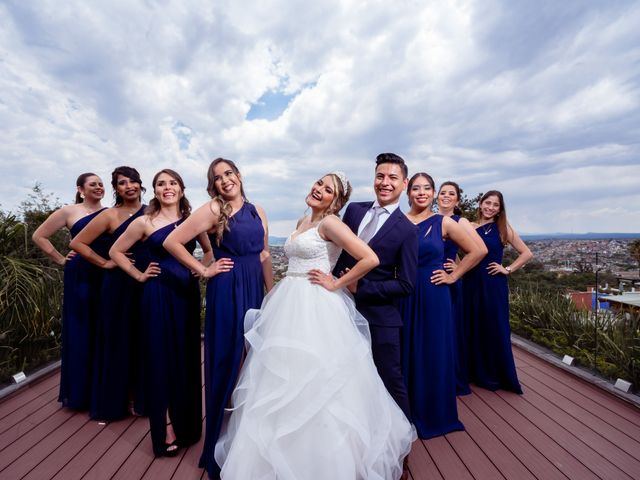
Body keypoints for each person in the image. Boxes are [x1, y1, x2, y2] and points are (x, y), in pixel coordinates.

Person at [214, 172, 415, 480]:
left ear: (336, 201)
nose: (319, 189)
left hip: (317, 306)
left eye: (328, 189)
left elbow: (369, 258)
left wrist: (338, 283)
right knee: (282, 378)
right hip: (288, 303)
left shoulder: (331, 223)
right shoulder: (301, 221)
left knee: (319, 381)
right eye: (319, 183)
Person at [163, 158, 272, 479]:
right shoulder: (213, 209)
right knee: (226, 361)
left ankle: (248, 439)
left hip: (255, 289)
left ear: (239, 175)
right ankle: (216, 448)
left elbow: (265, 255)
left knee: (254, 362)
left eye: (229, 173)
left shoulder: (257, 210)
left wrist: (273, 294)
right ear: (213, 185)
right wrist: (204, 269)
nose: (225, 181)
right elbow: (172, 241)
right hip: (227, 288)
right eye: (217, 178)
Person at [110, 169, 211, 457]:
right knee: (159, 360)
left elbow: (208, 252)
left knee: (186, 359)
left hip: (186, 296)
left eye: (172, 183)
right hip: (157, 294)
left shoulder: (192, 222)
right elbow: (116, 252)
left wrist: (197, 270)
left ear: (181, 188)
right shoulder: (144, 222)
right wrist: (139, 275)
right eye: (160, 184)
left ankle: (188, 427)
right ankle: (165, 427)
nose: (167, 187)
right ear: (154, 191)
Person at [400, 173, 485, 439]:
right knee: (404, 349)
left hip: (434, 293)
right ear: (408, 192)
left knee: (434, 350)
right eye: (416, 188)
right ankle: (403, 411)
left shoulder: (444, 222)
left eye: (427, 188)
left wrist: (454, 274)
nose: (421, 193)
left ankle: (434, 412)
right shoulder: (398, 221)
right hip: (403, 292)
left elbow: (478, 251)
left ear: (434, 193)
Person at [333, 153, 417, 420]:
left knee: (390, 378)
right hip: (338, 310)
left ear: (404, 184)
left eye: (393, 177)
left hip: (379, 317)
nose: (385, 182)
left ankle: (401, 447)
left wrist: (362, 288)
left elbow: (406, 284)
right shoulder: (354, 210)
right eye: (380, 176)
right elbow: (336, 255)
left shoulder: (407, 230)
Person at [69, 166, 148, 420]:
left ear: (140, 184)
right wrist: (104, 264)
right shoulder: (110, 215)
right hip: (117, 285)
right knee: (117, 341)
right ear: (116, 189)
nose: (129, 186)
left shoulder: (152, 212)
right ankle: (116, 401)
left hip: (147, 282)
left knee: (142, 340)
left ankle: (141, 397)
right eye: (122, 183)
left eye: (133, 181)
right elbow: (77, 243)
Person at [32, 173, 106, 409]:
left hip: (107, 273)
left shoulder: (110, 212)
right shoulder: (69, 211)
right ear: (81, 189)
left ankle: (104, 389)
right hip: (81, 274)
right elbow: (39, 236)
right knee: (82, 329)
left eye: (101, 184)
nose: (98, 187)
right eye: (92, 184)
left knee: (105, 329)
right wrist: (61, 259)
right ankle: (80, 393)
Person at [464, 190, 533, 393]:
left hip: (493, 284)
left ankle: (494, 374)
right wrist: (457, 265)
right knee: (472, 326)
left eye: (495, 205)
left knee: (494, 327)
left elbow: (527, 253)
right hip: (470, 282)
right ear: (480, 203)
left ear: (499, 209)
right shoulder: (468, 226)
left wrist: (508, 269)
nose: (490, 207)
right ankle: (472, 372)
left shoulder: (502, 228)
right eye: (487, 203)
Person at [437, 181, 487, 395]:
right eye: (442, 193)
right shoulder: (431, 218)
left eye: (451, 194)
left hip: (446, 282)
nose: (446, 196)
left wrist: (456, 271)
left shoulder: (460, 221)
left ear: (457, 200)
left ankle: (450, 378)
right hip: (426, 279)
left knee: (448, 331)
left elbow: (480, 250)